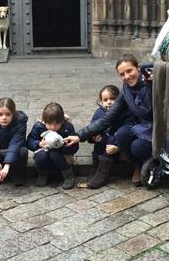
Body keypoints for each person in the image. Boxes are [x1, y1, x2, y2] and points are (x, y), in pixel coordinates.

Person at [64, 54, 153, 187]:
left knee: (137, 147)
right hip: (138, 128)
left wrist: (155, 83)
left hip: (155, 129)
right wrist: (79, 136)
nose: (127, 76)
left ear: (138, 68)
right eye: (122, 74)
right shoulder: (126, 91)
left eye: (129, 71)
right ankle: (138, 165)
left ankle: (150, 161)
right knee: (123, 134)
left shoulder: (152, 81)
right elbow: (106, 119)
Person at [78, 85, 134, 189]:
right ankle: (95, 168)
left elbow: (128, 130)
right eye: (105, 100)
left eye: (113, 99)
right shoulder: (99, 112)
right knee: (101, 139)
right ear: (101, 102)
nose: (109, 102)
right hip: (104, 142)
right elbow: (92, 126)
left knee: (111, 139)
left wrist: (118, 147)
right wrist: (93, 137)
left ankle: (101, 174)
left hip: (117, 143)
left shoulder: (124, 111)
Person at [27, 102, 79, 190]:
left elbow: (75, 147)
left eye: (56, 124)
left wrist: (63, 146)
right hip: (44, 152)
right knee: (41, 155)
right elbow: (29, 141)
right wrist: (38, 144)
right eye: (50, 124)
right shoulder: (38, 126)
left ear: (62, 121)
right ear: (44, 121)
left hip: (62, 156)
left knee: (54, 154)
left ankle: (68, 176)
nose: (53, 127)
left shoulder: (67, 127)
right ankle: (43, 174)